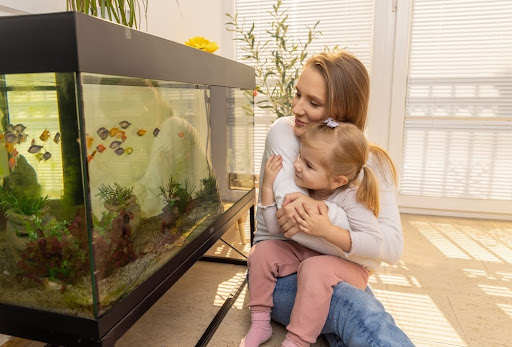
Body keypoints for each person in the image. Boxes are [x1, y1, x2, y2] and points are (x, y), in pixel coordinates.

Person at [250, 51, 414, 346]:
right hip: (280, 274)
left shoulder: (371, 162)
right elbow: (294, 223)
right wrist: (357, 238)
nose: (297, 108)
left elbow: (391, 247)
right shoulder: (285, 133)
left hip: (329, 270)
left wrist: (327, 221)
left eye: (313, 103)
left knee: (353, 321)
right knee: (356, 310)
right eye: (298, 94)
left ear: (343, 112)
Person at [243, 120, 396, 347]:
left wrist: (327, 231)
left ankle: (297, 341)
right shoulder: (305, 189)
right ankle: (260, 322)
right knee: (262, 252)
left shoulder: (352, 198)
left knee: (314, 269)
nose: (296, 165)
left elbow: (376, 244)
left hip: (352, 269)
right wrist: (267, 189)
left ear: (337, 180)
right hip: (307, 254)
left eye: (308, 165)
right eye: (299, 156)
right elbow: (276, 229)